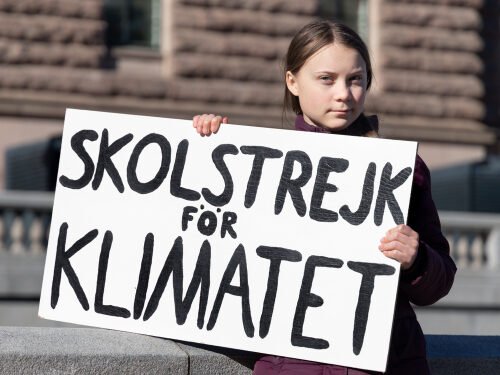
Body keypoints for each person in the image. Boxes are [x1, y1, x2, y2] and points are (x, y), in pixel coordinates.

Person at [192, 20, 456, 375]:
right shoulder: (257, 164)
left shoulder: (403, 170)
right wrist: (203, 143)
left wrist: (418, 260)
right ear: (293, 82)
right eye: (327, 79)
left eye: (356, 79)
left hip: (387, 362)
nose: (344, 94)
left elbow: (438, 282)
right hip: (289, 364)